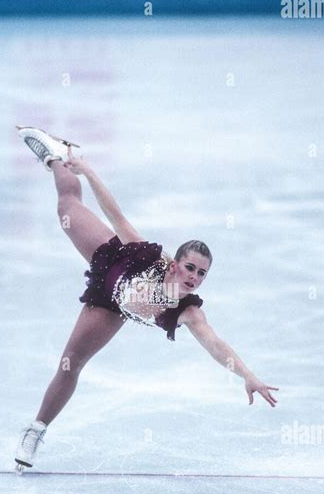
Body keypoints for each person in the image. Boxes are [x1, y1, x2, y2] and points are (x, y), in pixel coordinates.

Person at [14, 127, 279, 473]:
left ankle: (35, 431)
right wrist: (90, 172)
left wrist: (248, 375)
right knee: (68, 206)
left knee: (71, 363)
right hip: (108, 260)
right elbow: (115, 216)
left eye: (201, 274)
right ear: (174, 264)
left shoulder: (189, 311)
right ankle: (56, 155)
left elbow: (216, 344)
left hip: (111, 306)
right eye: (189, 268)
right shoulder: (149, 257)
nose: (194, 278)